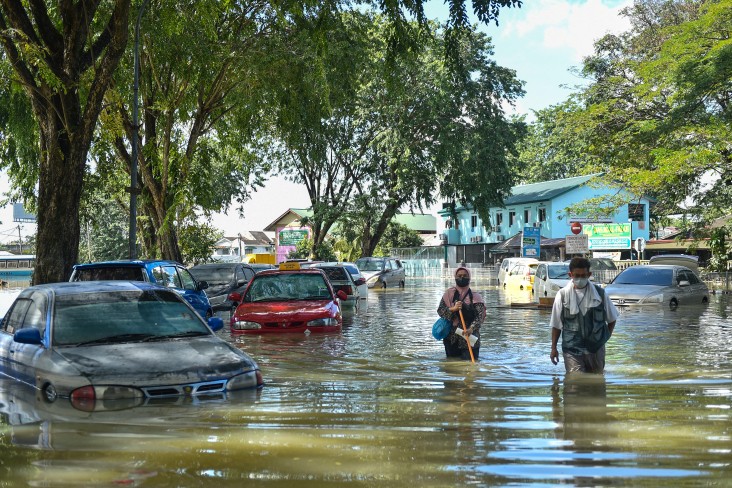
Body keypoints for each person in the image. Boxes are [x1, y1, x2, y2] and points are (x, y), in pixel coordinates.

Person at [550, 257, 619, 374]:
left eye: (583, 275)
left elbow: (612, 319)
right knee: (575, 383)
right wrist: (553, 348)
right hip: (572, 349)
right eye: (577, 275)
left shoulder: (600, 294)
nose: (580, 279)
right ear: (570, 274)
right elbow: (556, 325)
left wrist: (604, 338)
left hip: (596, 349)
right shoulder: (562, 295)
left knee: (597, 384)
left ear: (589, 274)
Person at [436, 267, 486, 360]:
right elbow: (440, 311)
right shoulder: (448, 294)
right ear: (455, 277)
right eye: (459, 276)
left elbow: (480, 316)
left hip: (470, 337)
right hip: (451, 338)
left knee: (470, 366)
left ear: (469, 278)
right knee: (452, 367)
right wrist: (453, 309)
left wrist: (471, 328)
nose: (462, 278)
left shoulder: (476, 296)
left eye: (465, 276)